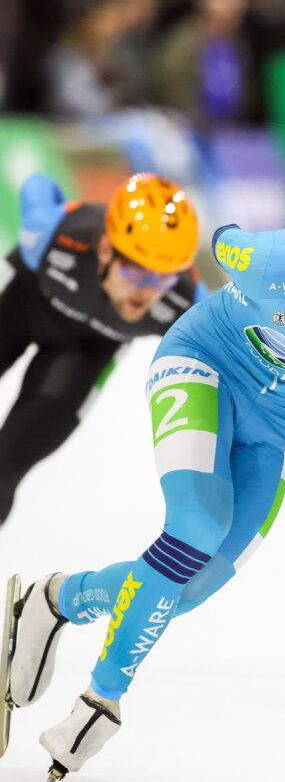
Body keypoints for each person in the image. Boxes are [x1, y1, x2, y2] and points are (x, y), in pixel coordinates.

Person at [2, 194, 285, 782]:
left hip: (281, 425)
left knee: (187, 589)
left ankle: (53, 601)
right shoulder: (279, 264)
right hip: (204, 363)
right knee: (196, 525)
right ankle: (102, 699)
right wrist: (246, 247)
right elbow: (225, 241)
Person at [0, 173, 203, 527]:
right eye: (138, 272)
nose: (149, 291)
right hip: (25, 308)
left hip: (85, 351)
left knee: (9, 462)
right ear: (107, 249)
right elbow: (38, 186)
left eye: (164, 277)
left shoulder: (184, 300)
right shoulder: (54, 235)